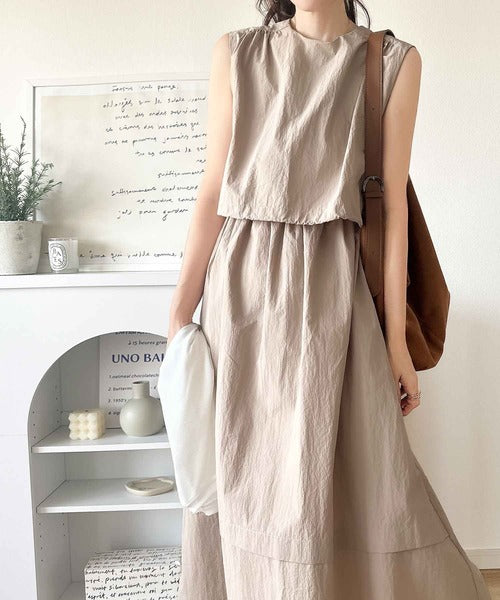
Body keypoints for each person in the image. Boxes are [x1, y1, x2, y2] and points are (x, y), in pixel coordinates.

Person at [167, 1, 492, 598]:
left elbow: (392, 207)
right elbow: (213, 186)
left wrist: (396, 345)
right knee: (246, 473)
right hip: (241, 291)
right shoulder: (237, 52)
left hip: (336, 292)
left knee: (344, 474)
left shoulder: (392, 61)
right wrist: (180, 312)